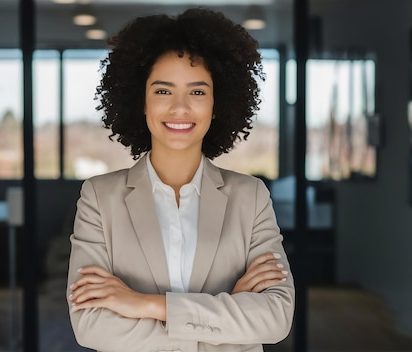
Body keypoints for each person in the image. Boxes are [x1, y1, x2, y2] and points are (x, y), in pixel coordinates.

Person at [67, 8, 295, 351]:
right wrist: (226, 317)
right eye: (162, 91)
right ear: (140, 101)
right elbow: (91, 326)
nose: (179, 108)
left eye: (198, 92)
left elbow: (275, 317)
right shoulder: (99, 198)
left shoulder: (251, 197)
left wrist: (145, 304)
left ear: (217, 104)